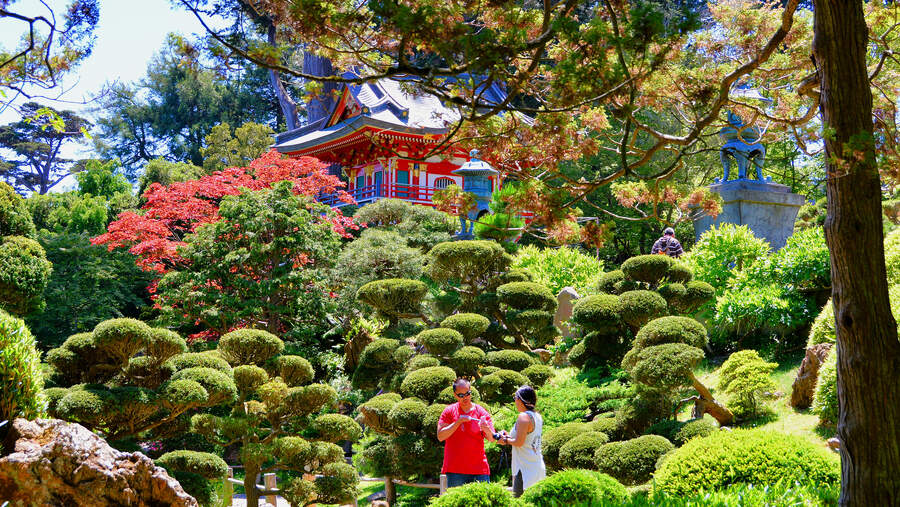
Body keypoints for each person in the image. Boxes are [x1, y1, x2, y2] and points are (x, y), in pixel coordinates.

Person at [437, 378, 497, 488]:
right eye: (461, 395)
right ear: (455, 395)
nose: (465, 397)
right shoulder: (449, 411)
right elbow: (440, 436)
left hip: (479, 469)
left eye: (467, 393)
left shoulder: (480, 411)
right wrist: (458, 422)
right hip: (455, 470)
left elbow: (492, 438)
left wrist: (486, 429)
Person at [495, 385, 545, 497]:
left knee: (520, 501)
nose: (515, 401)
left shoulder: (523, 417)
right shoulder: (537, 416)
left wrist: (506, 440)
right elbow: (526, 437)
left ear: (521, 399)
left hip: (525, 468)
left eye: (515, 398)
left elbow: (519, 442)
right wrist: (508, 436)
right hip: (536, 465)